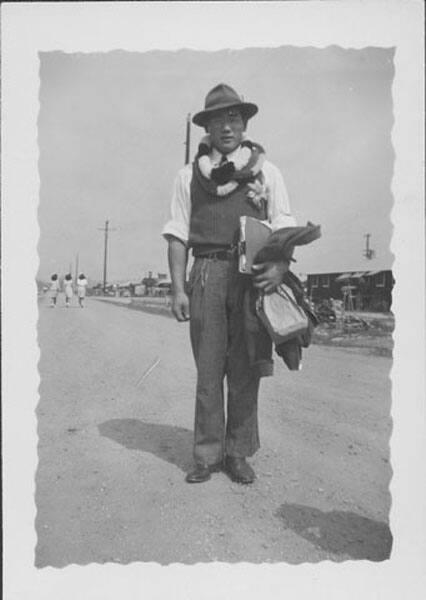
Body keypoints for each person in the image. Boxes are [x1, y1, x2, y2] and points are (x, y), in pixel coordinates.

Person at [162, 83, 296, 484]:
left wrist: (280, 267)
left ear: (245, 123)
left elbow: (285, 224)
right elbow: (176, 235)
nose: (226, 126)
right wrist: (178, 288)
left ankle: (238, 452)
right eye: (218, 119)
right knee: (208, 369)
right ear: (207, 127)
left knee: (245, 367)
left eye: (234, 118)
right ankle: (207, 454)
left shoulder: (267, 171)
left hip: (251, 279)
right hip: (205, 274)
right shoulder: (188, 176)